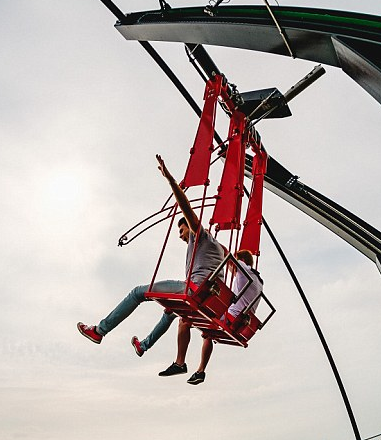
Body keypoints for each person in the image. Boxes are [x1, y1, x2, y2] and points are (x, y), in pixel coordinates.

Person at [77, 155, 228, 359]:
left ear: (190, 228)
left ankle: (99, 331)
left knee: (138, 292)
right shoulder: (217, 247)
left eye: (182, 231)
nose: (181, 235)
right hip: (206, 298)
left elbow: (187, 209)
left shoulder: (199, 235)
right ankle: (144, 346)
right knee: (169, 312)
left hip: (194, 291)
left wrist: (171, 181)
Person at [176, 249, 263, 385]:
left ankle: (180, 362)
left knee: (184, 320)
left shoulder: (243, 269)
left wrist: (213, 245)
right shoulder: (258, 280)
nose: (231, 269)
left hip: (230, 319)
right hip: (240, 324)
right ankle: (200, 372)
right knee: (208, 334)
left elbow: (226, 254)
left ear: (241, 261)